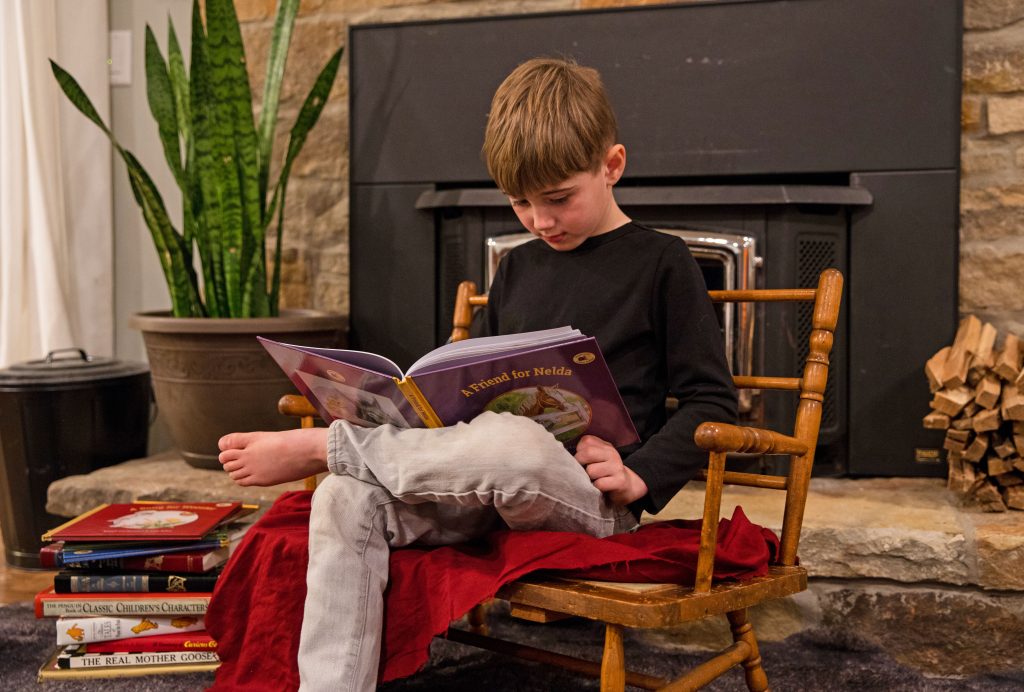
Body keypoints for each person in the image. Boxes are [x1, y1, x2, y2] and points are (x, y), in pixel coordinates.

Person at [217, 57, 737, 692]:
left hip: (586, 498)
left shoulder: (662, 262)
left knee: (515, 444)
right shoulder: (516, 270)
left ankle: (325, 448)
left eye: (558, 199)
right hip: (483, 492)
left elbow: (712, 401)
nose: (541, 222)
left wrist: (638, 473)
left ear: (612, 165)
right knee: (343, 498)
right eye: (520, 204)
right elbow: (479, 394)